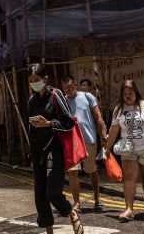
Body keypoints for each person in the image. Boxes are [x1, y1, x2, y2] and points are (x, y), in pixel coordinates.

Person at [27, 64, 83, 234]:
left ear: (45, 79)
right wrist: (31, 153)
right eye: (31, 81)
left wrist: (49, 123)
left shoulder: (56, 94)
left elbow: (69, 122)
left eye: (36, 80)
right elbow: (30, 129)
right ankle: (49, 232)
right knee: (40, 197)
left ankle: (70, 211)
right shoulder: (32, 100)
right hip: (38, 153)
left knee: (52, 193)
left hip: (54, 150)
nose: (34, 84)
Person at [106, 79, 144, 221]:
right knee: (129, 177)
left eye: (130, 92)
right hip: (128, 148)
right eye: (124, 93)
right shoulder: (118, 109)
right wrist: (107, 147)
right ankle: (129, 210)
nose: (128, 96)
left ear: (136, 92)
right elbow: (114, 129)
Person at [61, 75, 107, 212]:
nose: (67, 89)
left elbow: (98, 117)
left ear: (74, 84)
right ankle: (77, 203)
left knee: (91, 170)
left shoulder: (87, 97)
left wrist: (104, 134)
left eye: (69, 86)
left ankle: (97, 198)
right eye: (64, 87)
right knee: (73, 172)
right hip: (71, 141)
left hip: (88, 139)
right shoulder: (62, 100)